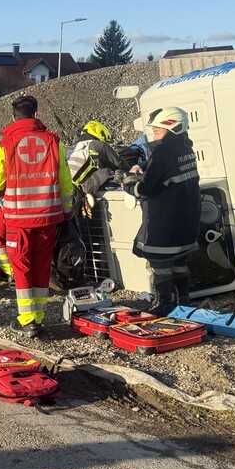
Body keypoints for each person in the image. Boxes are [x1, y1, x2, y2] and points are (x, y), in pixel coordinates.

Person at [0, 96, 73, 337]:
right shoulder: (54, 141)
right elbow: (65, 182)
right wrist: (67, 211)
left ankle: (27, 321)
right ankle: (38, 317)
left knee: (22, 267)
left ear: (13, 117)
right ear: (36, 115)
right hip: (47, 217)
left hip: (18, 220)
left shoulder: (5, 145)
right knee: (41, 267)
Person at [130, 106, 200, 316]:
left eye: (158, 131)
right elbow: (166, 168)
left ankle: (164, 304)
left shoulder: (163, 151)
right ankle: (184, 301)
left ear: (171, 127)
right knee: (179, 262)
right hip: (186, 221)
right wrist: (145, 165)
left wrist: (129, 182)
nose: (154, 135)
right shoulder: (186, 148)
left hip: (165, 222)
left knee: (159, 263)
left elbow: (145, 189)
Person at [67, 120, 125, 213]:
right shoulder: (97, 145)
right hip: (74, 193)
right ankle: (87, 191)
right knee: (104, 171)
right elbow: (119, 165)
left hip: (60, 191)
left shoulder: (72, 149)